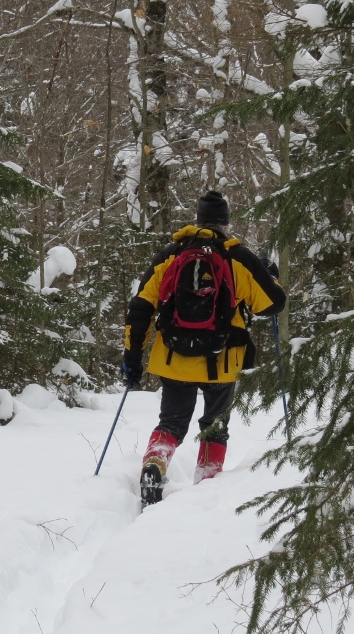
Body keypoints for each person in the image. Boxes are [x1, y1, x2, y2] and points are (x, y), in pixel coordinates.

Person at [122, 191, 285, 506]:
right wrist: (270, 276)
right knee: (214, 425)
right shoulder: (238, 257)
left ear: (197, 221)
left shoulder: (171, 255)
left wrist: (132, 359)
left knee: (171, 422)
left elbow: (140, 308)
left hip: (173, 358)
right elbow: (272, 304)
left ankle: (155, 463)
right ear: (225, 223)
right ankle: (204, 489)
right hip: (221, 361)